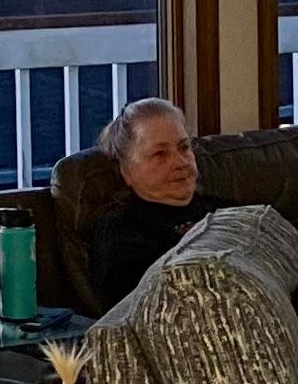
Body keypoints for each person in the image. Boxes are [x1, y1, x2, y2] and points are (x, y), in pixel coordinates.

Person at [84, 96, 218, 307]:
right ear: (126, 170)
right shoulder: (121, 230)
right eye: (160, 154)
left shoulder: (228, 210)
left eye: (184, 148)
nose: (180, 162)